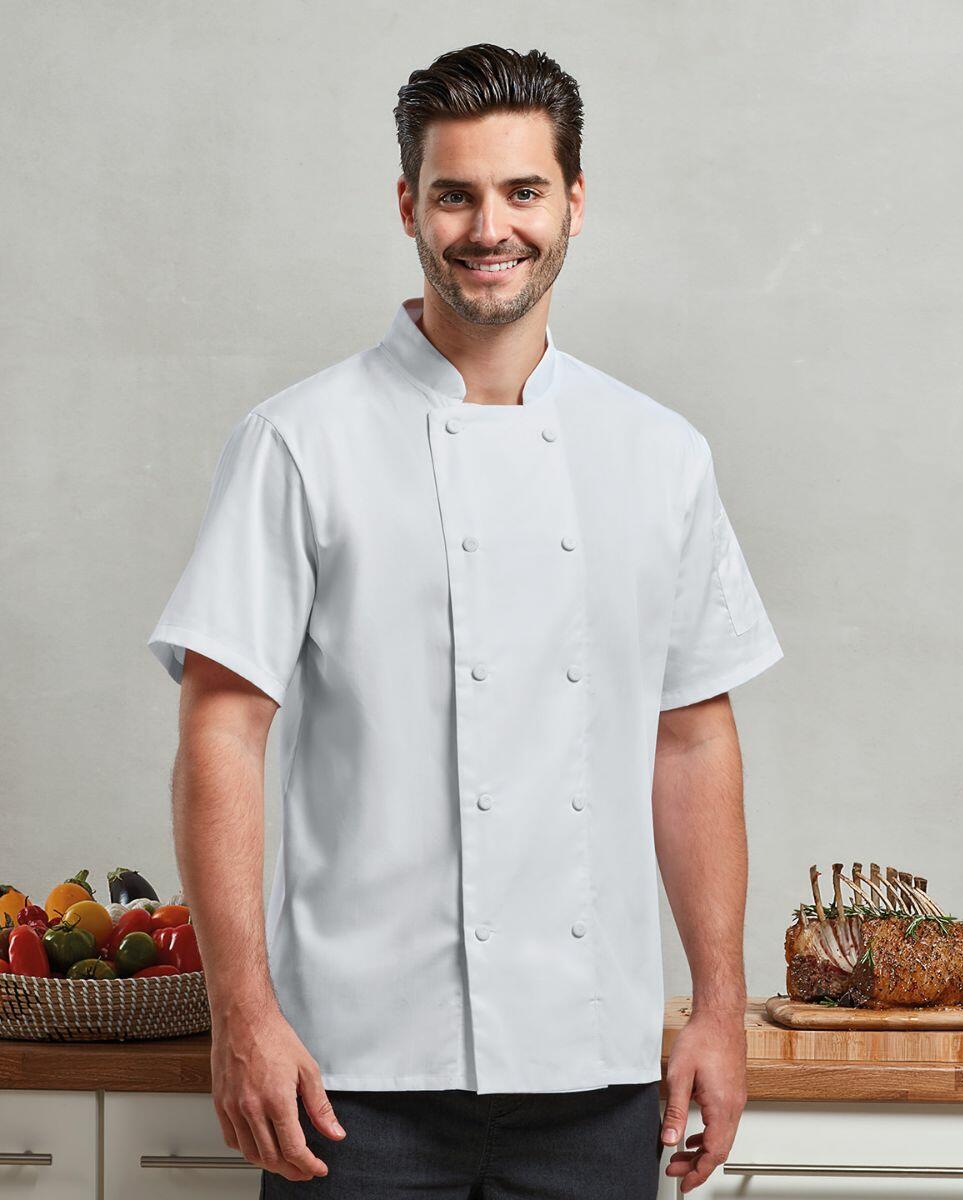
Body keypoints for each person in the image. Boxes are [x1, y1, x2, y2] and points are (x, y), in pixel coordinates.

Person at [147, 42, 784, 1200]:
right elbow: (220, 734)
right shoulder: (299, 443)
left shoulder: (659, 455)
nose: (490, 227)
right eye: (456, 194)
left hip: (592, 1071)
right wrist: (242, 1014)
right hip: (347, 1082)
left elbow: (691, 740)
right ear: (409, 206)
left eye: (522, 191)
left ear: (573, 202)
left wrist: (718, 1015)